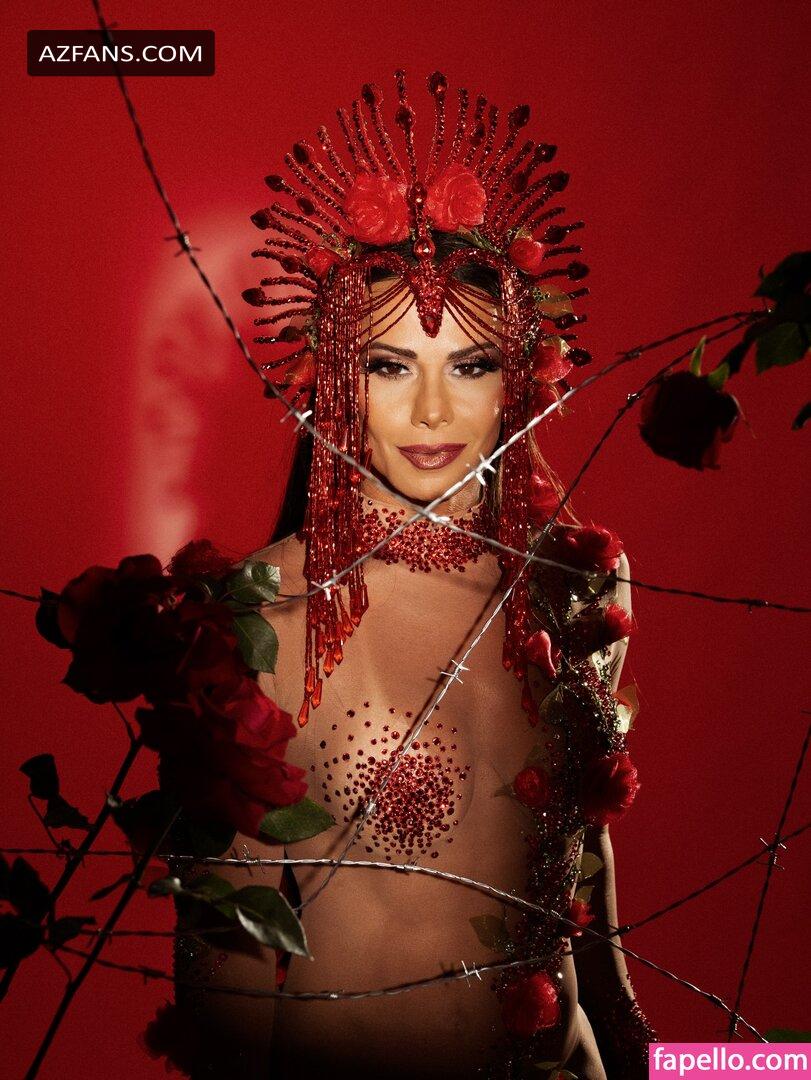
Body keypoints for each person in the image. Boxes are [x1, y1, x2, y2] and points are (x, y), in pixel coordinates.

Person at [171, 71, 657, 1079]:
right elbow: (227, 967)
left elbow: (580, 868)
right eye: (389, 366)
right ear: (335, 380)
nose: (432, 412)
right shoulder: (261, 614)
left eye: (470, 366)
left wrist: (651, 1055)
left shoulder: (581, 582)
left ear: (519, 374)